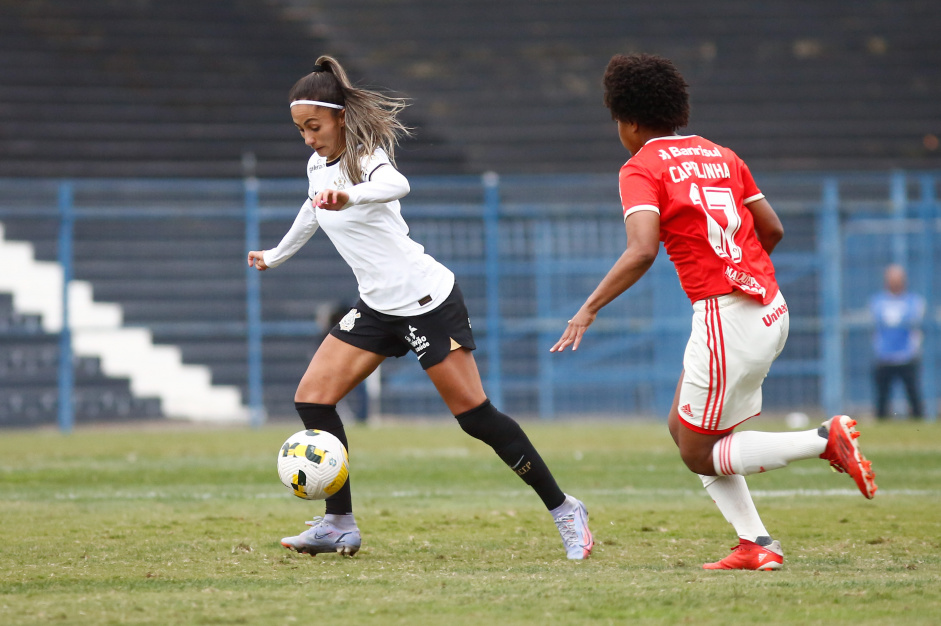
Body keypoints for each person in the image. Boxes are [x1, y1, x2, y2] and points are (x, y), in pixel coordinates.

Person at [247, 55, 592, 560]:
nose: (308, 138)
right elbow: (312, 206)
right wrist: (276, 254)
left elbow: (396, 185)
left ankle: (565, 509)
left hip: (425, 300)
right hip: (377, 307)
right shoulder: (317, 165)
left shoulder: (368, 157)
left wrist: (351, 196)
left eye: (314, 126)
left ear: (340, 116)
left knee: (475, 417)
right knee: (314, 400)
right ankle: (338, 523)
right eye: (301, 129)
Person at [550, 53, 877, 570]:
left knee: (697, 452)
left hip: (729, 316)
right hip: (768, 308)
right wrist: (740, 266)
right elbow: (772, 231)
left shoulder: (641, 166)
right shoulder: (722, 155)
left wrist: (587, 309)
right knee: (682, 428)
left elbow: (641, 250)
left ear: (629, 121)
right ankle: (758, 545)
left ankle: (823, 440)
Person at [870, 264, 926, 420]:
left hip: (906, 356)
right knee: (882, 396)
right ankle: (881, 423)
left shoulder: (914, 301)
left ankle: (918, 423)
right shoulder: (877, 301)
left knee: (913, 394)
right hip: (884, 356)